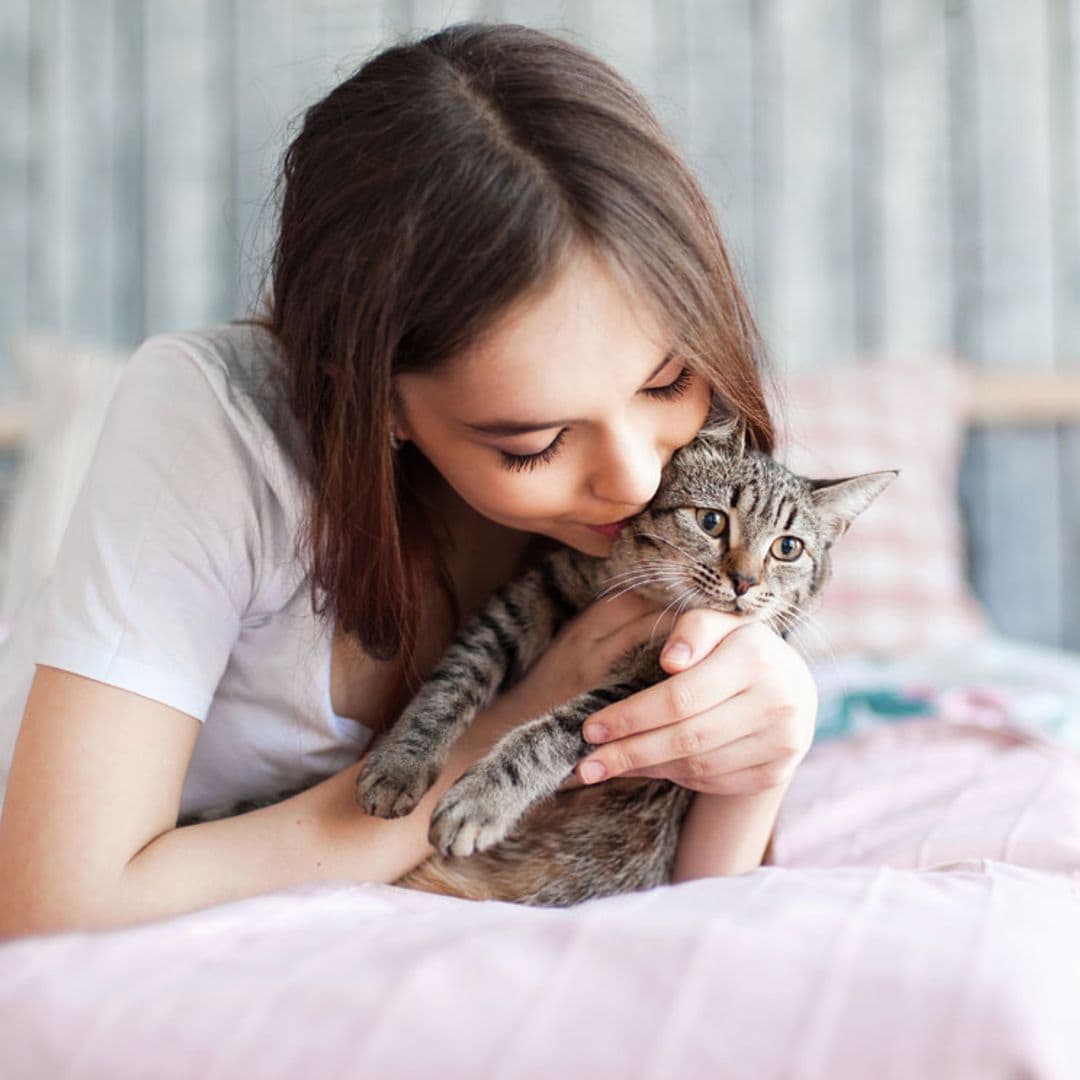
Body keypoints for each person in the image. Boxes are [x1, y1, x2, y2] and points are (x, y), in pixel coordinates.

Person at [0, 22, 817, 938]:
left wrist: (760, 764)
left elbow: (689, 920)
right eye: (536, 441)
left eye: (667, 383)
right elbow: (51, 914)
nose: (635, 479)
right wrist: (500, 728)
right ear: (373, 401)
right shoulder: (215, 423)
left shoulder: (696, 497)